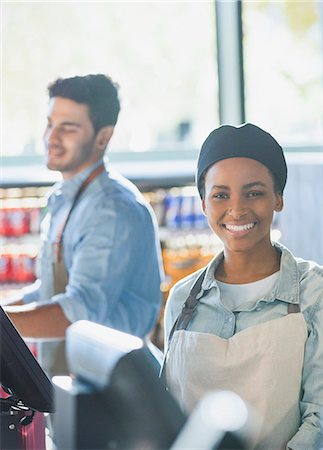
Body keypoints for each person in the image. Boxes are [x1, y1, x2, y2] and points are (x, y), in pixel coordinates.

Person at [162, 123, 323, 450]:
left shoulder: (314, 292)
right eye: (221, 195)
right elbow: (170, 411)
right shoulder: (181, 299)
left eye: (254, 193)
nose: (237, 209)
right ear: (204, 204)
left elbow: (319, 416)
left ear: (278, 198)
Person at [4, 74, 164, 376]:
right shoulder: (64, 198)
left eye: (68, 128)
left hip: (116, 393)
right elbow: (49, 293)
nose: (52, 137)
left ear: (103, 137)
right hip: (72, 382)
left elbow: (80, 312)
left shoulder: (112, 209)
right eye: (50, 123)